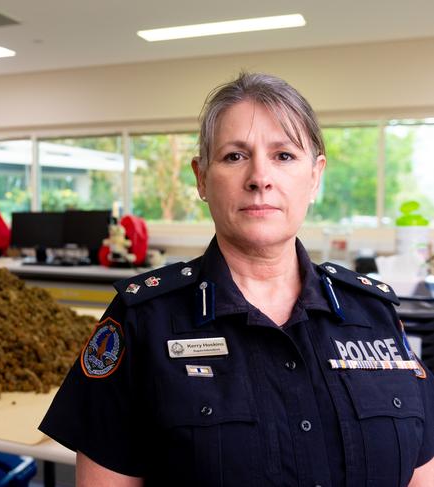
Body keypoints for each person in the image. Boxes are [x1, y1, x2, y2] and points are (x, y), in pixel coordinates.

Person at [39, 72, 434, 486]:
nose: (259, 178)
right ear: (201, 178)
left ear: (315, 176)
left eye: (284, 156)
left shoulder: (374, 315)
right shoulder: (143, 320)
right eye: (234, 156)